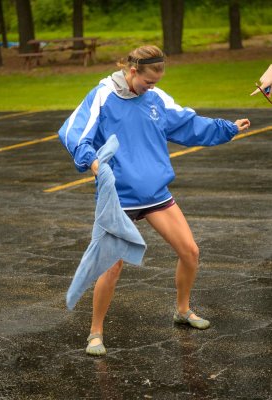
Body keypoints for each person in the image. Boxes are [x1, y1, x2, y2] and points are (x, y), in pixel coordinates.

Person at [58, 45, 250, 356]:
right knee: (112, 266)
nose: (153, 87)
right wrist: (95, 165)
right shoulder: (103, 95)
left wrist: (227, 128)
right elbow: (74, 133)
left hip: (156, 193)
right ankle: (95, 333)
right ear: (132, 71)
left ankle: (183, 310)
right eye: (148, 81)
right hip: (119, 198)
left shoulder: (155, 98)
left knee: (190, 251)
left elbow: (187, 123)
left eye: (157, 82)